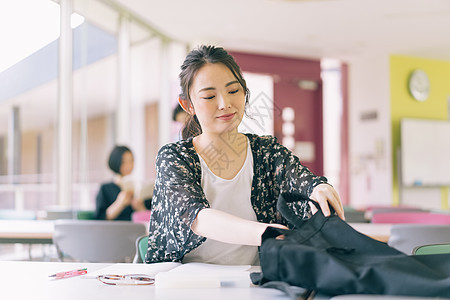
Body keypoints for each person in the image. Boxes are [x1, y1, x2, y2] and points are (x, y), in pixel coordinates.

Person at [145, 45, 344, 265]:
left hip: (255, 281)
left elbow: (300, 180)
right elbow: (197, 217)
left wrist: (318, 187)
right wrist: (265, 232)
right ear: (188, 105)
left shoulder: (265, 152)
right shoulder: (175, 157)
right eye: (210, 96)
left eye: (233, 91)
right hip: (189, 282)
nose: (225, 104)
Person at [94, 145, 149, 221]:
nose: (129, 165)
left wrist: (140, 208)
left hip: (137, 230)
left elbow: (152, 219)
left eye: (131, 160)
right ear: (116, 162)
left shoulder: (139, 188)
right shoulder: (105, 188)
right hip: (114, 231)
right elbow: (99, 219)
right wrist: (120, 203)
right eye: (124, 162)